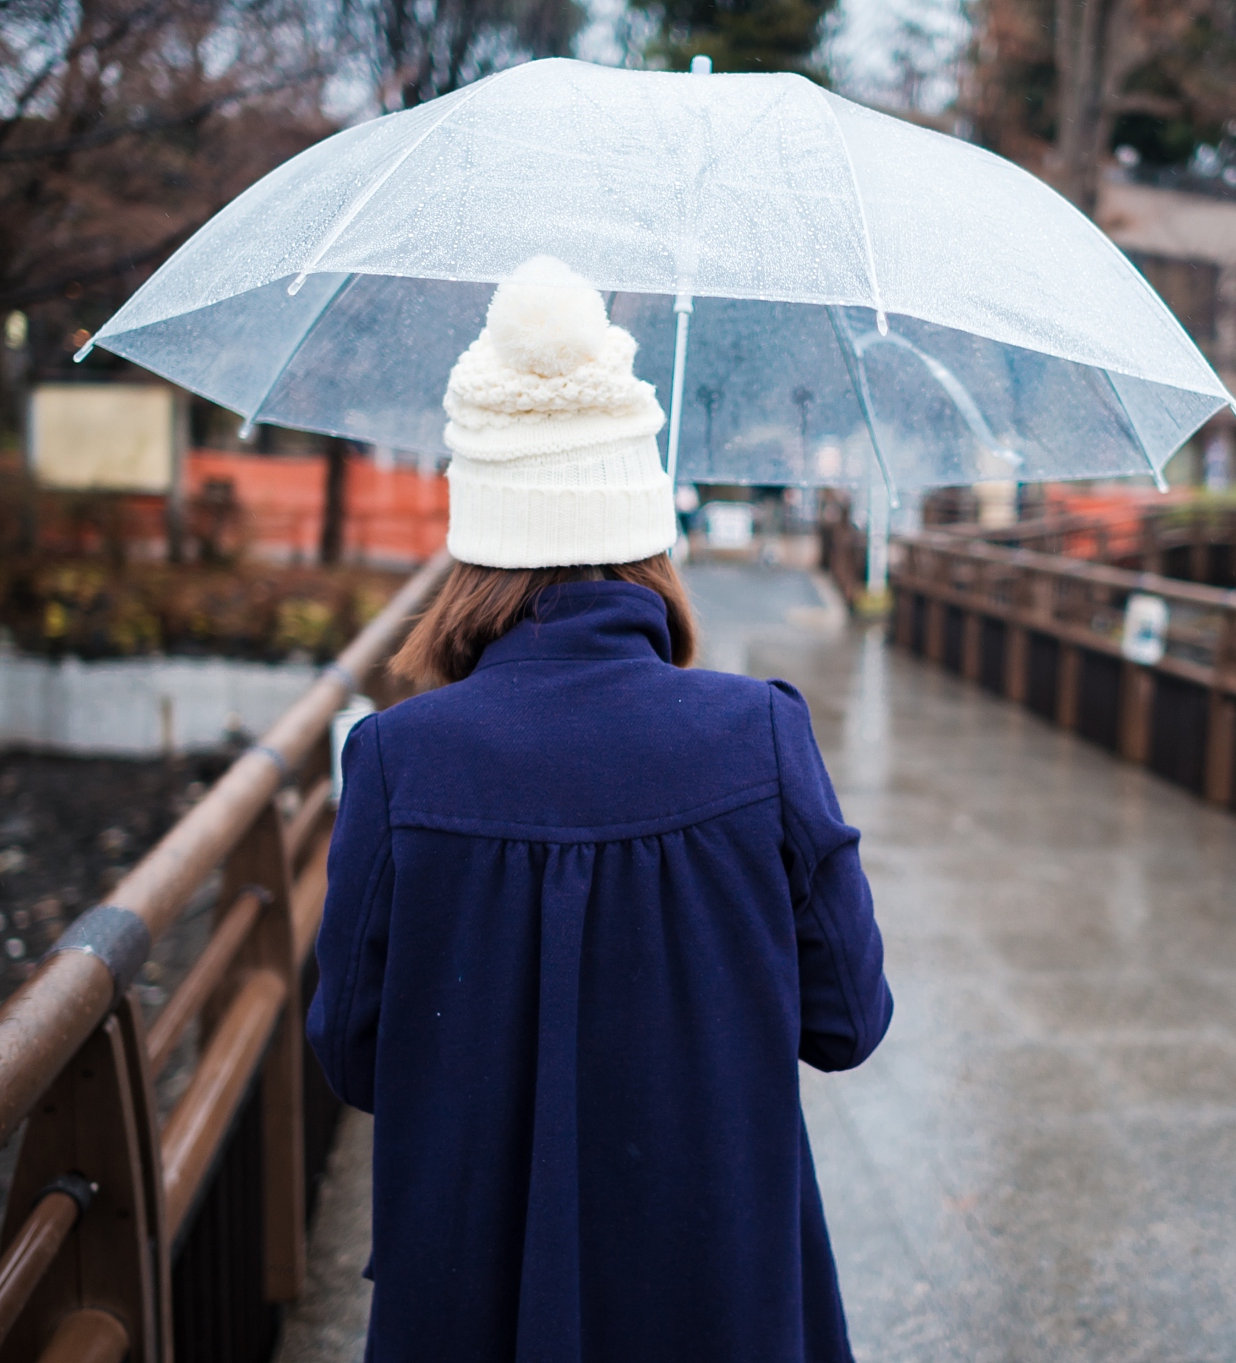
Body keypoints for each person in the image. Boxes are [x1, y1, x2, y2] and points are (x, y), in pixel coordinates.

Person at [306, 256, 894, 1363]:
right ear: (645, 529)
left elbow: (352, 1054)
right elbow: (849, 1021)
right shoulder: (757, 736)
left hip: (470, 1297)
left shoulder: (395, 762)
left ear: (473, 544)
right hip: (720, 1297)